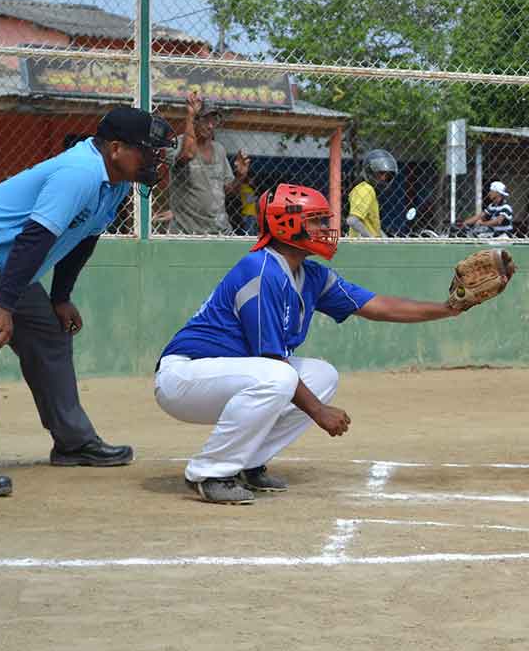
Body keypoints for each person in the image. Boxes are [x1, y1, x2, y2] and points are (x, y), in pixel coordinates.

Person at [0, 107, 173, 497]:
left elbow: (84, 239)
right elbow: (35, 238)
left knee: (50, 335)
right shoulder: (79, 173)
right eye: (149, 151)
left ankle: (73, 443)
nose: (155, 159)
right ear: (116, 148)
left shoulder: (115, 182)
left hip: (9, 264)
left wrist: (60, 297)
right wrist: (2, 305)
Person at [154, 184, 470, 504]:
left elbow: (378, 306)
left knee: (322, 375)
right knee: (281, 377)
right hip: (185, 377)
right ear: (285, 224)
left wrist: (448, 309)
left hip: (233, 377)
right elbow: (273, 359)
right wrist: (318, 412)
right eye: (316, 220)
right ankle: (210, 472)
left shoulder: (311, 275)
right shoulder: (261, 270)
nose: (325, 228)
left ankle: (248, 463)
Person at [169, 92, 251, 235]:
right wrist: (189, 116)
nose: (210, 126)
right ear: (194, 120)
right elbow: (188, 154)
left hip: (220, 231)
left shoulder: (219, 149)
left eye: (214, 120)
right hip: (188, 233)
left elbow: (227, 190)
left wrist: (240, 176)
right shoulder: (177, 144)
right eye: (205, 120)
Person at [346, 148, 397, 238]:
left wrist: (385, 241)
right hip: (364, 247)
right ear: (370, 171)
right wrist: (371, 240)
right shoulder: (366, 190)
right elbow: (352, 220)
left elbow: (373, 227)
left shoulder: (368, 190)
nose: (383, 179)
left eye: (387, 175)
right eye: (380, 173)